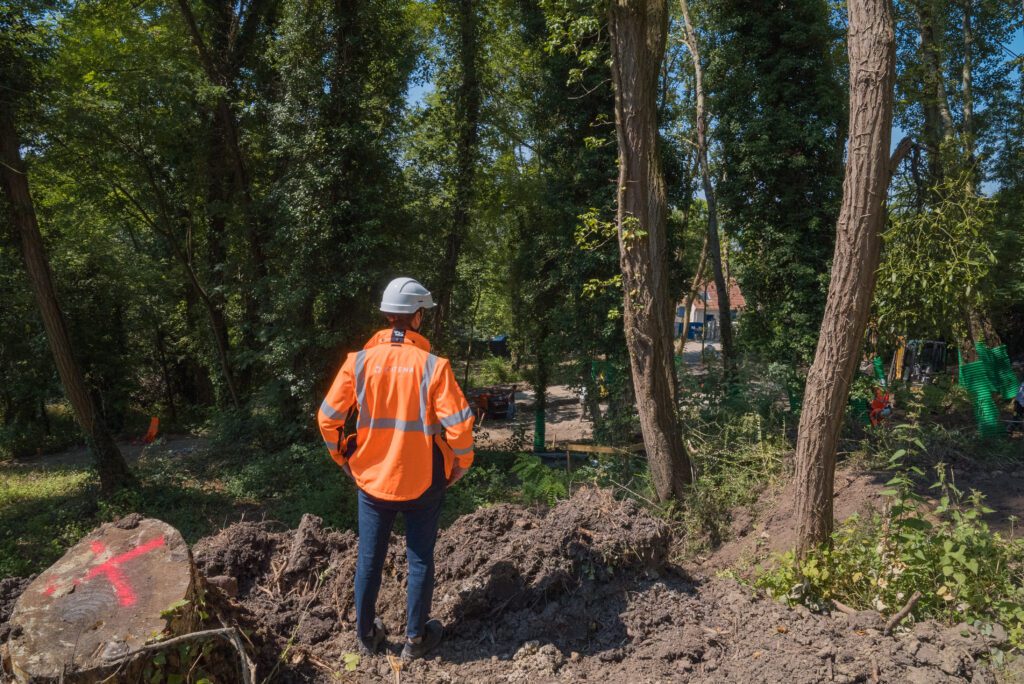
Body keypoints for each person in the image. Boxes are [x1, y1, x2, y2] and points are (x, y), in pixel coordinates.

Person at [317, 277, 475, 660]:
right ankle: (416, 640)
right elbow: (460, 427)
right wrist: (460, 465)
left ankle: (366, 635)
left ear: (388, 315)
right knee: (420, 558)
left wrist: (344, 458)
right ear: (417, 316)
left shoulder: (358, 362)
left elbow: (327, 419)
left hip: (371, 480)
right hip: (424, 480)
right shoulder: (434, 367)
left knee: (369, 558)